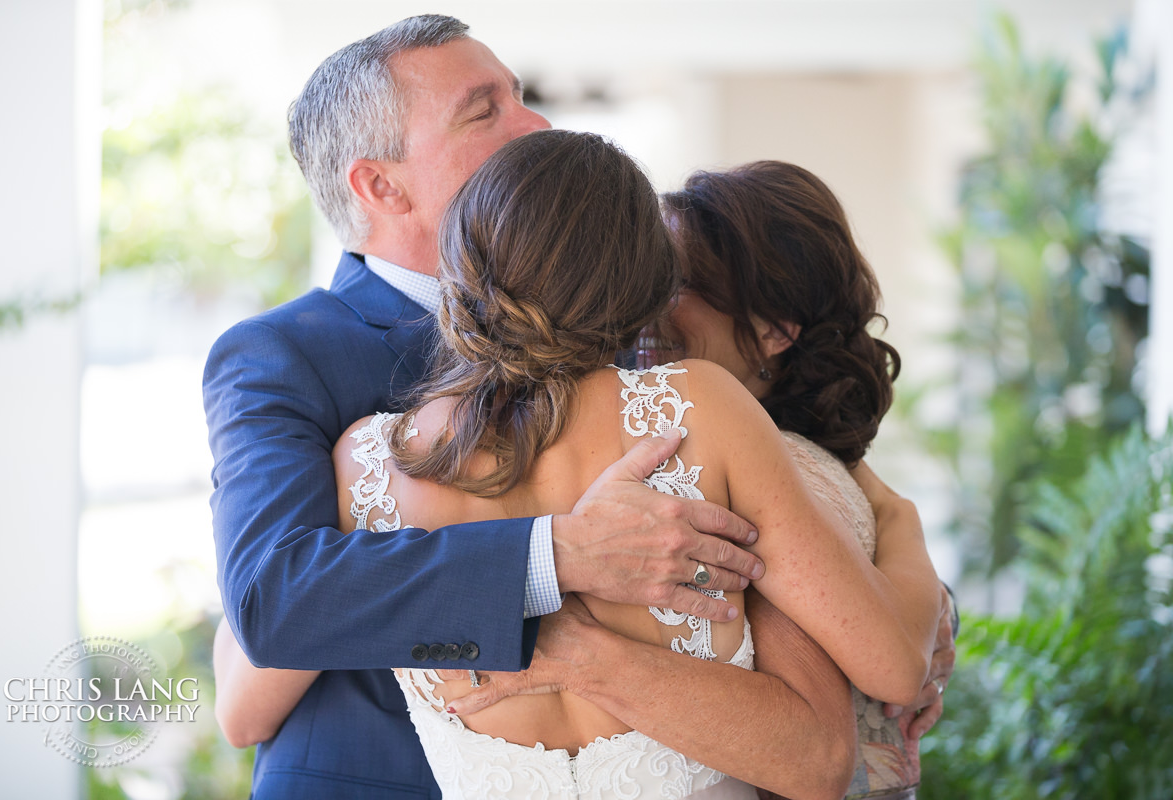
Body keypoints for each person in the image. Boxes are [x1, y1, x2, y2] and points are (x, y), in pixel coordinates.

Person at [216, 129, 946, 798]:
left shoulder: (369, 463)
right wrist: (894, 522)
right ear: (643, 282)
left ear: (461, 264)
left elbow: (242, 697)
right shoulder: (699, 412)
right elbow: (880, 679)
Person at [203, 16, 763, 799]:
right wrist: (558, 552)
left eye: (521, 97)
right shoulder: (282, 355)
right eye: (483, 110)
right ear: (380, 185)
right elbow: (274, 597)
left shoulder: (619, 314)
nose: (534, 124)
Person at [652, 160, 954, 798]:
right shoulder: (818, 464)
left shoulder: (775, 470)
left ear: (774, 330)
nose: (644, 303)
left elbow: (896, 668)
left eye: (675, 281)